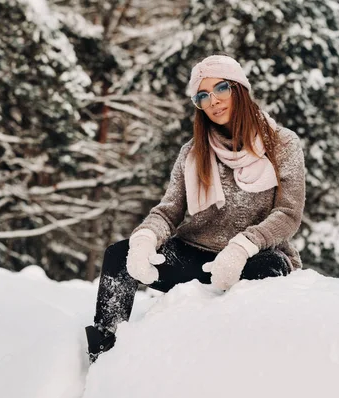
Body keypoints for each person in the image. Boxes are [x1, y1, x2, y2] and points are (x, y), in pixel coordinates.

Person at [85, 55, 306, 363]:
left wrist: (243, 246)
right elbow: (169, 211)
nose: (213, 100)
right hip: (195, 255)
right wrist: (144, 239)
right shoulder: (192, 152)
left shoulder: (282, 143)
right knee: (117, 256)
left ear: (239, 88)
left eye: (221, 88)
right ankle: (104, 356)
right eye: (202, 96)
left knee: (270, 270)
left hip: (252, 257)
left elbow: (288, 214)